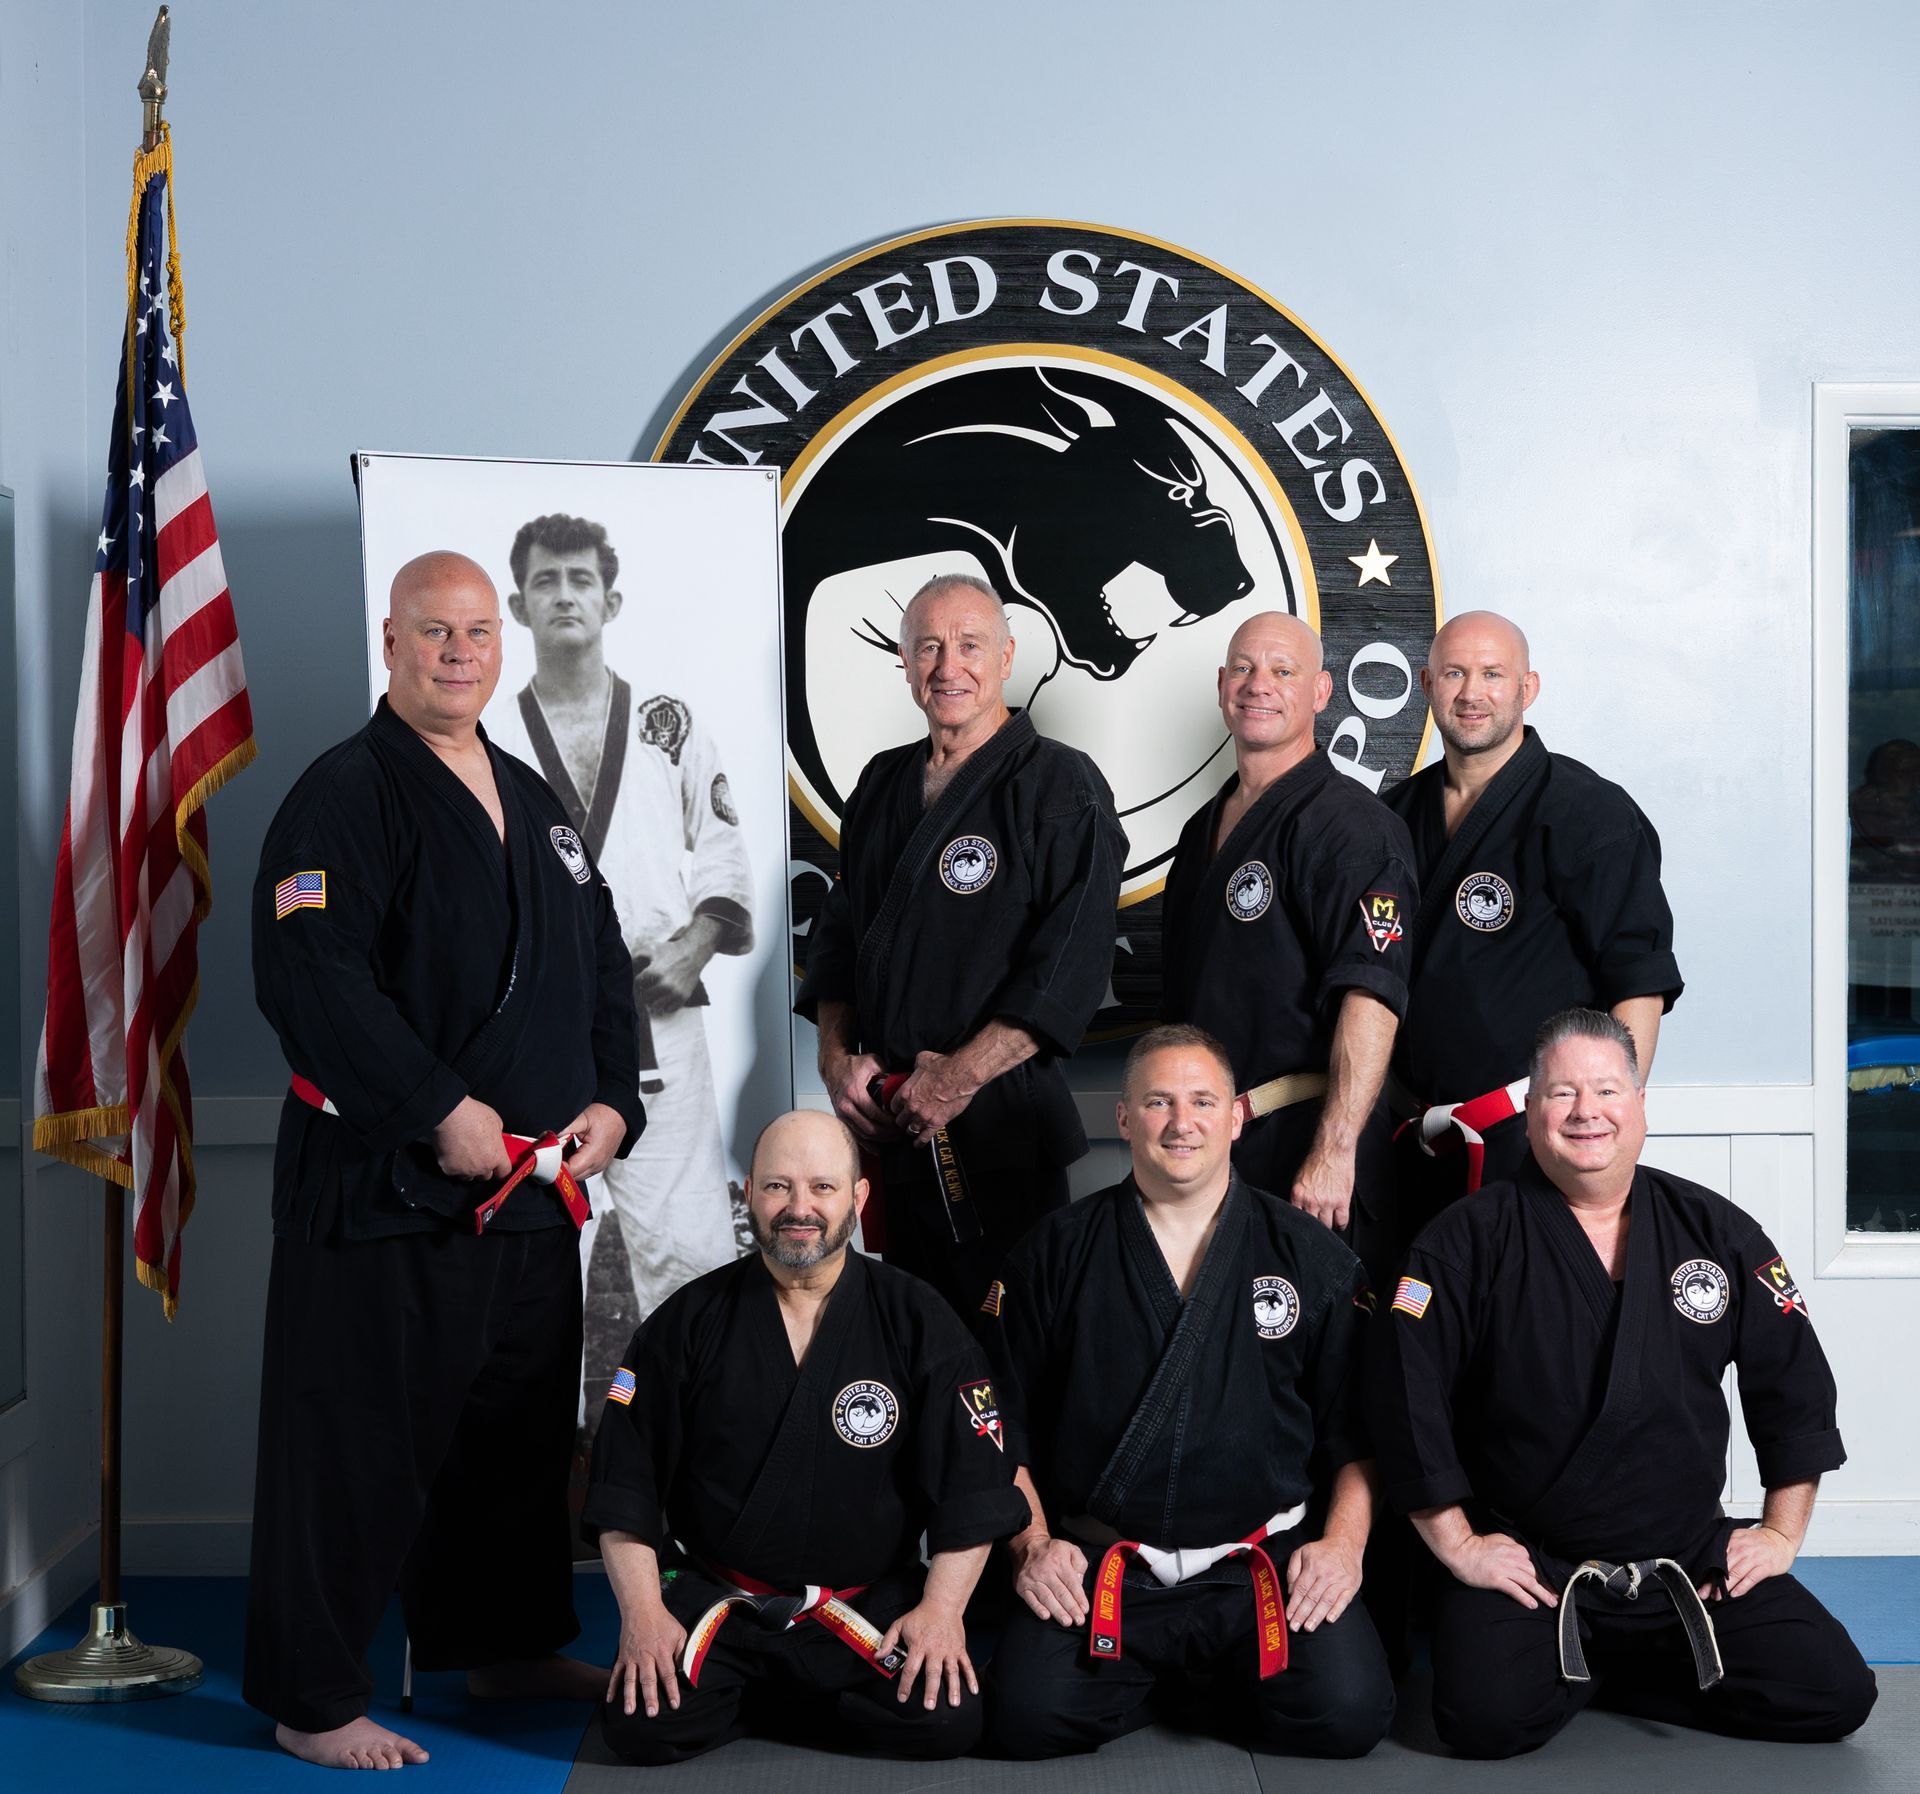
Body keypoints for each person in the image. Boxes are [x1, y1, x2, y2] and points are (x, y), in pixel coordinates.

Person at [244, 551, 646, 1769]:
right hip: (390, 1192)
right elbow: (310, 981)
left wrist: (612, 1102)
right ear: (391, 642)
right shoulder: (342, 796)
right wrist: (435, 1107)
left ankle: (504, 1644)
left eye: (477, 631)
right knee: (353, 1445)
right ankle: (311, 1701)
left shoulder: (532, 799)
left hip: (530, 1193)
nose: (460, 651)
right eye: (435, 632)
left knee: (514, 1442)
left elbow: (603, 967)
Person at [1371, 1007, 1877, 1758]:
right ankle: (1600, 1660)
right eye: (1562, 1093)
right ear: (1534, 1110)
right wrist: (1462, 1547)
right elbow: (1404, 1400)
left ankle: (1610, 1670)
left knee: (1834, 1692)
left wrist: (1778, 1534)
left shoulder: (1717, 1232)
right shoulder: (1465, 1239)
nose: (1586, 1113)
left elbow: (1794, 1388)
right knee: (1482, 1719)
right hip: (1537, 1569)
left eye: (1607, 1091)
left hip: (1686, 1561)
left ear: (1640, 1104)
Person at [983, 1025, 1394, 1761]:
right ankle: (1190, 1676)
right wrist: (1034, 1547)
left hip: (1257, 1569)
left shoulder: (1310, 1257)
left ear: (1236, 1116)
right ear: (1123, 1117)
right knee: (1023, 1717)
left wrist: (1341, 1546)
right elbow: (999, 1429)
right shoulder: (1052, 1254)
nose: (1182, 1123)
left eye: (1203, 1101)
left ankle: (1166, 1679)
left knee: (1349, 1712)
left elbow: (1356, 1432)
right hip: (1110, 1573)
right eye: (1159, 1103)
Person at [584, 1109, 1029, 1765]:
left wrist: (941, 1611)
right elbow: (625, 1487)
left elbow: (975, 1486)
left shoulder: (917, 1317)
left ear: (858, 1196)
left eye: (822, 1187)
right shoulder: (688, 1321)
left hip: (863, 1609)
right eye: (777, 1187)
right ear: (749, 1196)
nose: (799, 1207)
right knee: (637, 1728)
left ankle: (755, 1703)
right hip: (725, 1606)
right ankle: (790, 1694)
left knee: (947, 1721)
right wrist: (645, 1616)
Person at [795, 572, 1125, 1323]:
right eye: (928, 648)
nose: (949, 667)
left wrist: (962, 1076)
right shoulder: (882, 781)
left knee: (1008, 1345)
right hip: (896, 1125)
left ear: (1007, 656)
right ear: (904, 662)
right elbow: (841, 933)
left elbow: (1070, 963)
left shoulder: (1060, 785)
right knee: (908, 1334)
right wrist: (836, 1058)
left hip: (1001, 1130)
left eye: (969, 645)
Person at [486, 512, 751, 1365]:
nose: (564, 594)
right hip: (533, 1032)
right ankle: (545, 1464)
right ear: (521, 607)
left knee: (689, 1244)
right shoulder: (485, 735)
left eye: (580, 580)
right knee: (530, 1256)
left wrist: (698, 943)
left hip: (654, 1016)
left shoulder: (664, 721)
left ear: (612, 599)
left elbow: (722, 846)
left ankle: (695, 1456)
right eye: (545, 582)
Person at [1384, 611, 1681, 1206]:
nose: (1471, 693)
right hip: (1410, 1136)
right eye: (1454, 674)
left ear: (1528, 689)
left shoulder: (1586, 811)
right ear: (1426, 684)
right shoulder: (1391, 814)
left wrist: (1603, 1128)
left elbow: (1638, 983)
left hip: (1534, 1131)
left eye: (1493, 674)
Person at [1161, 611, 1418, 1281]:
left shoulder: (1355, 827)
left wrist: (1335, 1150)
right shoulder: (1200, 832)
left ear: (1322, 692)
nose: (1258, 685)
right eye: (1243, 668)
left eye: (1283, 671)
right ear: (1222, 684)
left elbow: (1373, 995)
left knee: (1317, 1366)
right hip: (1213, 1148)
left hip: (1307, 1146)